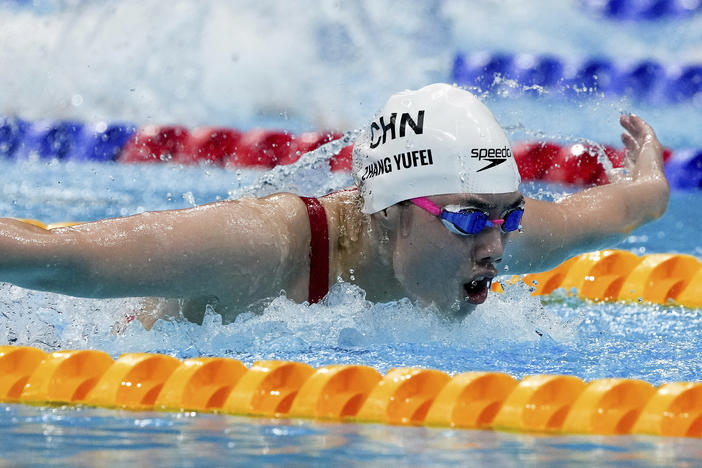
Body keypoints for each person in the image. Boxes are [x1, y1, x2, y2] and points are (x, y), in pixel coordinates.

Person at [0, 83, 669, 326]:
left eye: (506, 214)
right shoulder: (262, 247)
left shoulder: (487, 235)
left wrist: (646, 179)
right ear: (388, 212)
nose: (495, 244)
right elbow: (66, 261)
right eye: (469, 217)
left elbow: (625, 206)